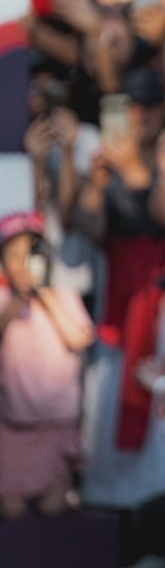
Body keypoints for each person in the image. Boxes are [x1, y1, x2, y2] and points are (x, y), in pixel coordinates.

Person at [0, 211, 94, 519]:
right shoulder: (3, 300)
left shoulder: (63, 297)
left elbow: (78, 339)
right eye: (12, 255)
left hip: (57, 424)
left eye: (30, 253)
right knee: (11, 510)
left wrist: (44, 295)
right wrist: (18, 301)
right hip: (15, 424)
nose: (21, 263)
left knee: (52, 507)